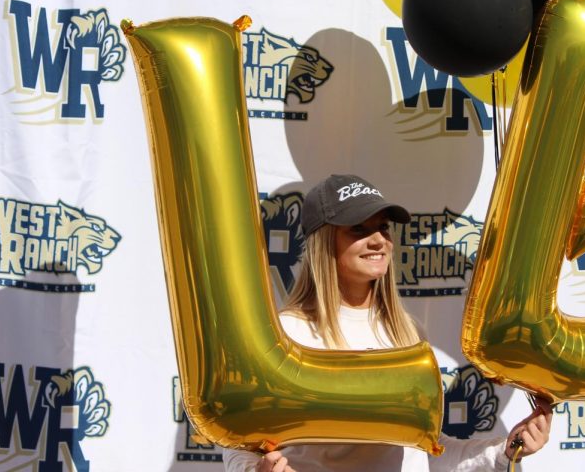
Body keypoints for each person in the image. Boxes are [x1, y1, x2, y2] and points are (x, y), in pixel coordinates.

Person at [223, 174, 552, 472]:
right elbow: (239, 450)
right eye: (359, 229)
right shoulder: (286, 335)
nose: (379, 240)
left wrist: (505, 453)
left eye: (383, 227)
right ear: (324, 241)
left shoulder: (407, 333)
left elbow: (424, 451)